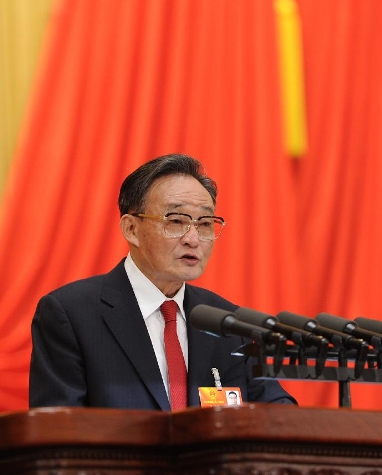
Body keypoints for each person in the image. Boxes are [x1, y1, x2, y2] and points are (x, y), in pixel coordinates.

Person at [29, 153, 296, 410]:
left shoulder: (229, 323)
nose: (193, 238)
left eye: (204, 223)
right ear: (131, 229)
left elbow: (277, 414)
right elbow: (58, 436)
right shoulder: (71, 315)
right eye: (176, 221)